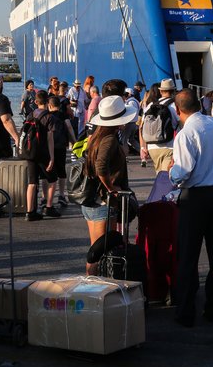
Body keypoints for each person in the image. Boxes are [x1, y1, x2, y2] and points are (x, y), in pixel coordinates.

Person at [169, 88, 213, 327]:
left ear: (178, 110)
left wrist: (171, 171)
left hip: (196, 197)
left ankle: (185, 312)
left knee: (187, 256)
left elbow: (182, 171)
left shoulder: (185, 134)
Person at [82, 95, 138, 274]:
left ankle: (93, 288)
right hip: (103, 202)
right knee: (98, 253)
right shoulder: (110, 139)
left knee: (96, 249)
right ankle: (93, 290)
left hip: (93, 200)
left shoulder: (97, 136)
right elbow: (100, 166)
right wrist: (111, 188)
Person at [24, 90, 61, 221]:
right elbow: (50, 139)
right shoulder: (49, 117)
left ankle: (29, 211)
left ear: (35, 101)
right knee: (52, 179)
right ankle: (49, 207)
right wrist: (52, 157)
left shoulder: (30, 115)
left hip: (30, 152)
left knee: (32, 182)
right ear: (47, 102)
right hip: (43, 152)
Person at [139, 78, 180, 174]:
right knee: (166, 178)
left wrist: (142, 147)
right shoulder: (175, 105)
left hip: (152, 147)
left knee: (160, 175)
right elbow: (182, 124)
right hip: (169, 146)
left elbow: (141, 127)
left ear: (161, 91)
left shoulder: (151, 105)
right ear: (173, 90)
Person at [49, 95, 76, 207]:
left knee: (49, 172)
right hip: (61, 146)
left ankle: (46, 198)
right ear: (59, 106)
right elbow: (69, 127)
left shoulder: (48, 116)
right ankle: (61, 195)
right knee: (61, 171)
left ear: (49, 106)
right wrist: (74, 141)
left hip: (48, 146)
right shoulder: (63, 115)